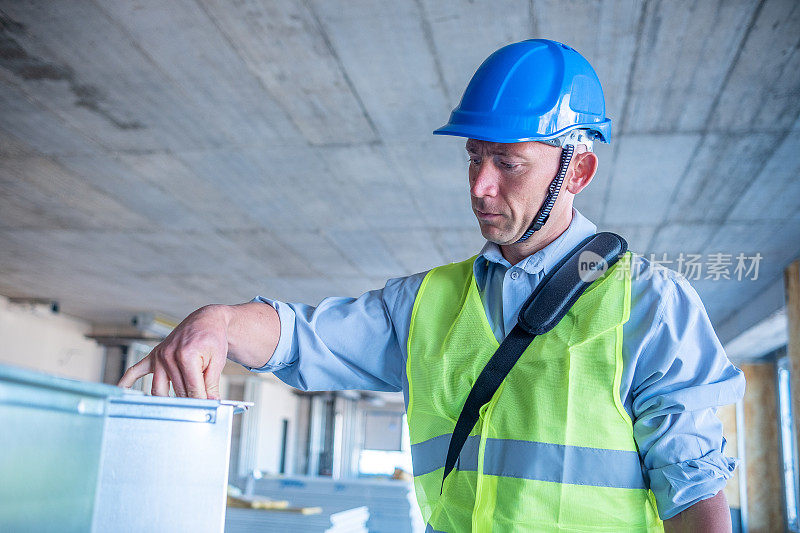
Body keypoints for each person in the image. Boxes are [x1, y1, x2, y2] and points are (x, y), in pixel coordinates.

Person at [120, 39, 745, 532]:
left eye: (507, 163)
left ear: (577, 170)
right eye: (475, 156)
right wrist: (219, 322)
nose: (479, 186)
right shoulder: (426, 303)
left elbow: (691, 486)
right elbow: (301, 337)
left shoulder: (648, 302)